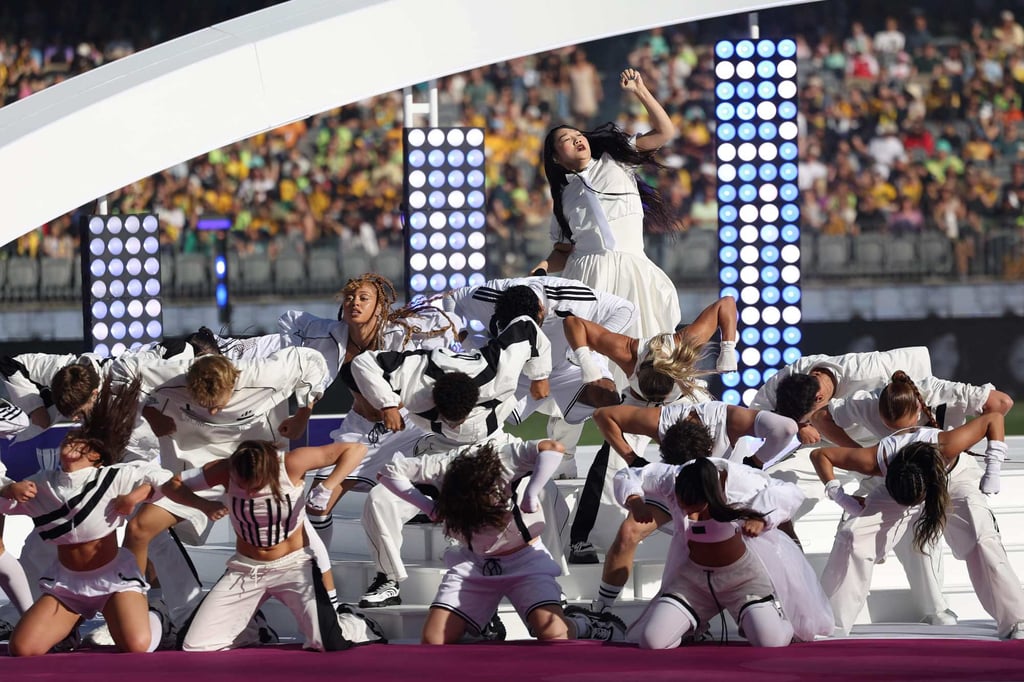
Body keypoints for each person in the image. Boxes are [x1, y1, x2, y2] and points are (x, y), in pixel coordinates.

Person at [0, 376, 225, 656]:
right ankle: (67, 632)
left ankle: (157, 616)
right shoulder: (41, 484)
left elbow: (165, 482)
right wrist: (9, 488)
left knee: (135, 646)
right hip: (66, 585)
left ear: (98, 457)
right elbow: (5, 503)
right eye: (71, 438)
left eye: (82, 442)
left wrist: (140, 495)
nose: (72, 442)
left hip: (114, 580)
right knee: (22, 649)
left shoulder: (114, 477)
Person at [113, 346, 329, 635]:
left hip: (258, 473)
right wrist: (149, 412)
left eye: (218, 404)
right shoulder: (172, 375)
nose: (212, 412)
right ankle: (149, 617)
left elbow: (312, 359)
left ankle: (331, 610)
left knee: (303, 540)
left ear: (234, 382)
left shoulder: (264, 373)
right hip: (200, 472)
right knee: (140, 528)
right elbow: (120, 371)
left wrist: (304, 411)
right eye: (204, 405)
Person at [349, 308, 555, 607]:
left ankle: (550, 577)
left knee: (546, 495)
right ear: (431, 400)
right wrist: (388, 404)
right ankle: (388, 578)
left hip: (492, 447)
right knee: (379, 500)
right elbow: (363, 362)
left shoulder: (497, 368)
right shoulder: (414, 374)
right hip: (439, 452)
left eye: (462, 417)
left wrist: (540, 374)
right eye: (449, 417)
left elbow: (525, 324)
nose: (457, 424)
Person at [275, 274, 458, 579]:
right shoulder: (330, 335)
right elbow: (304, 358)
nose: (354, 303)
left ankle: (448, 537)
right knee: (317, 503)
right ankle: (317, 571)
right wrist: (302, 415)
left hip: (406, 426)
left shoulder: (402, 335)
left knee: (438, 470)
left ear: (379, 307)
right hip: (358, 429)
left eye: (363, 298)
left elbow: (446, 334)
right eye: (349, 298)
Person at [376, 438, 625, 644]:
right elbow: (388, 470)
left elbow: (552, 448)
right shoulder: (440, 467)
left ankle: (587, 624)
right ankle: (477, 625)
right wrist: (429, 507)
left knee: (553, 635)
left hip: (525, 560)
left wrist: (531, 492)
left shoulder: (506, 460)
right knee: (434, 640)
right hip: (473, 564)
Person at [810, 412, 1024, 639]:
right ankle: (830, 625)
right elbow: (820, 455)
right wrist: (842, 498)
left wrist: (993, 468)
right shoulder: (874, 460)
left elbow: (993, 418)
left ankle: (1016, 619)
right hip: (897, 489)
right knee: (852, 536)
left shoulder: (948, 446)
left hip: (954, 480)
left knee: (982, 535)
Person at [560, 295, 736, 563]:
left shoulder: (685, 343)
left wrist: (728, 347)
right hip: (638, 403)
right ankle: (583, 539)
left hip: (684, 400)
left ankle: (721, 519)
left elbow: (727, 303)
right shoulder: (627, 351)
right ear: (638, 371)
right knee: (610, 459)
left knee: (716, 452)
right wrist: (586, 363)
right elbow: (573, 323)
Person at [178, 439, 385, 652]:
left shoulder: (291, 463)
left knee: (325, 643)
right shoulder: (224, 469)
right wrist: (203, 505)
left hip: (293, 566)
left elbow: (357, 449)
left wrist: (327, 486)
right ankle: (253, 630)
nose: (248, 493)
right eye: (241, 484)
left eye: (255, 485)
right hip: (246, 569)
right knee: (194, 645)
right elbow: (174, 484)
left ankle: (357, 625)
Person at [533, 67, 682, 340]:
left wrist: (640, 91)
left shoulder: (617, 161)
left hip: (631, 271)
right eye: (566, 140)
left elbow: (665, 131)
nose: (577, 138)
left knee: (643, 350)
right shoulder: (564, 199)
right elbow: (564, 249)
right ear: (556, 158)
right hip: (587, 279)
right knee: (589, 359)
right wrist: (542, 265)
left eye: (577, 134)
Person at [620, 458, 831, 648]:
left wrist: (760, 517)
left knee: (770, 642)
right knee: (652, 641)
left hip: (743, 581)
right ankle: (691, 626)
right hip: (692, 581)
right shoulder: (670, 478)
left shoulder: (744, 484)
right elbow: (627, 475)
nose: (689, 515)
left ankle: (780, 621)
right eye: (683, 507)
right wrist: (635, 501)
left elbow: (790, 491)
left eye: (695, 507)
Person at [444, 276, 631, 471]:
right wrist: (467, 341)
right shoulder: (488, 296)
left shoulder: (572, 296)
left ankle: (625, 464)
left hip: (568, 366)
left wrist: (585, 350)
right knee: (469, 404)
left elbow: (626, 309)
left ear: (541, 309)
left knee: (608, 397)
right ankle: (467, 464)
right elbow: (451, 297)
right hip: (519, 370)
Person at [749, 346, 934, 447]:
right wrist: (798, 426)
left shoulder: (873, 372)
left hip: (880, 445)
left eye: (806, 418)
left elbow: (923, 381)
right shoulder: (793, 373)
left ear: (819, 398)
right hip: (827, 447)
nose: (808, 422)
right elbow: (754, 413)